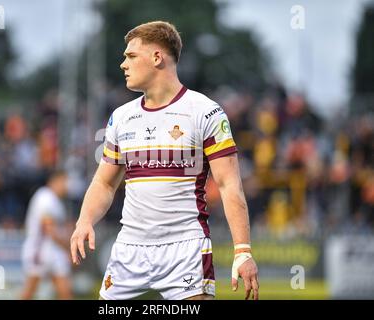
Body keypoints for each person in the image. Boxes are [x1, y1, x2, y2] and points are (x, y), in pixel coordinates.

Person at [70, 21, 259, 300]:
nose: (123, 64)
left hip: (185, 247)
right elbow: (105, 183)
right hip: (129, 248)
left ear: (157, 57)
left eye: (131, 56)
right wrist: (84, 220)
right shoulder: (120, 117)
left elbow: (229, 184)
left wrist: (242, 250)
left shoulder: (205, 113)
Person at [21, 170, 73, 299]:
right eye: (64, 181)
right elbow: (48, 228)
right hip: (39, 249)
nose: (66, 186)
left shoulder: (55, 200)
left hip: (53, 249)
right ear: (55, 181)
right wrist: (68, 247)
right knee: (29, 291)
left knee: (65, 292)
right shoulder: (45, 197)